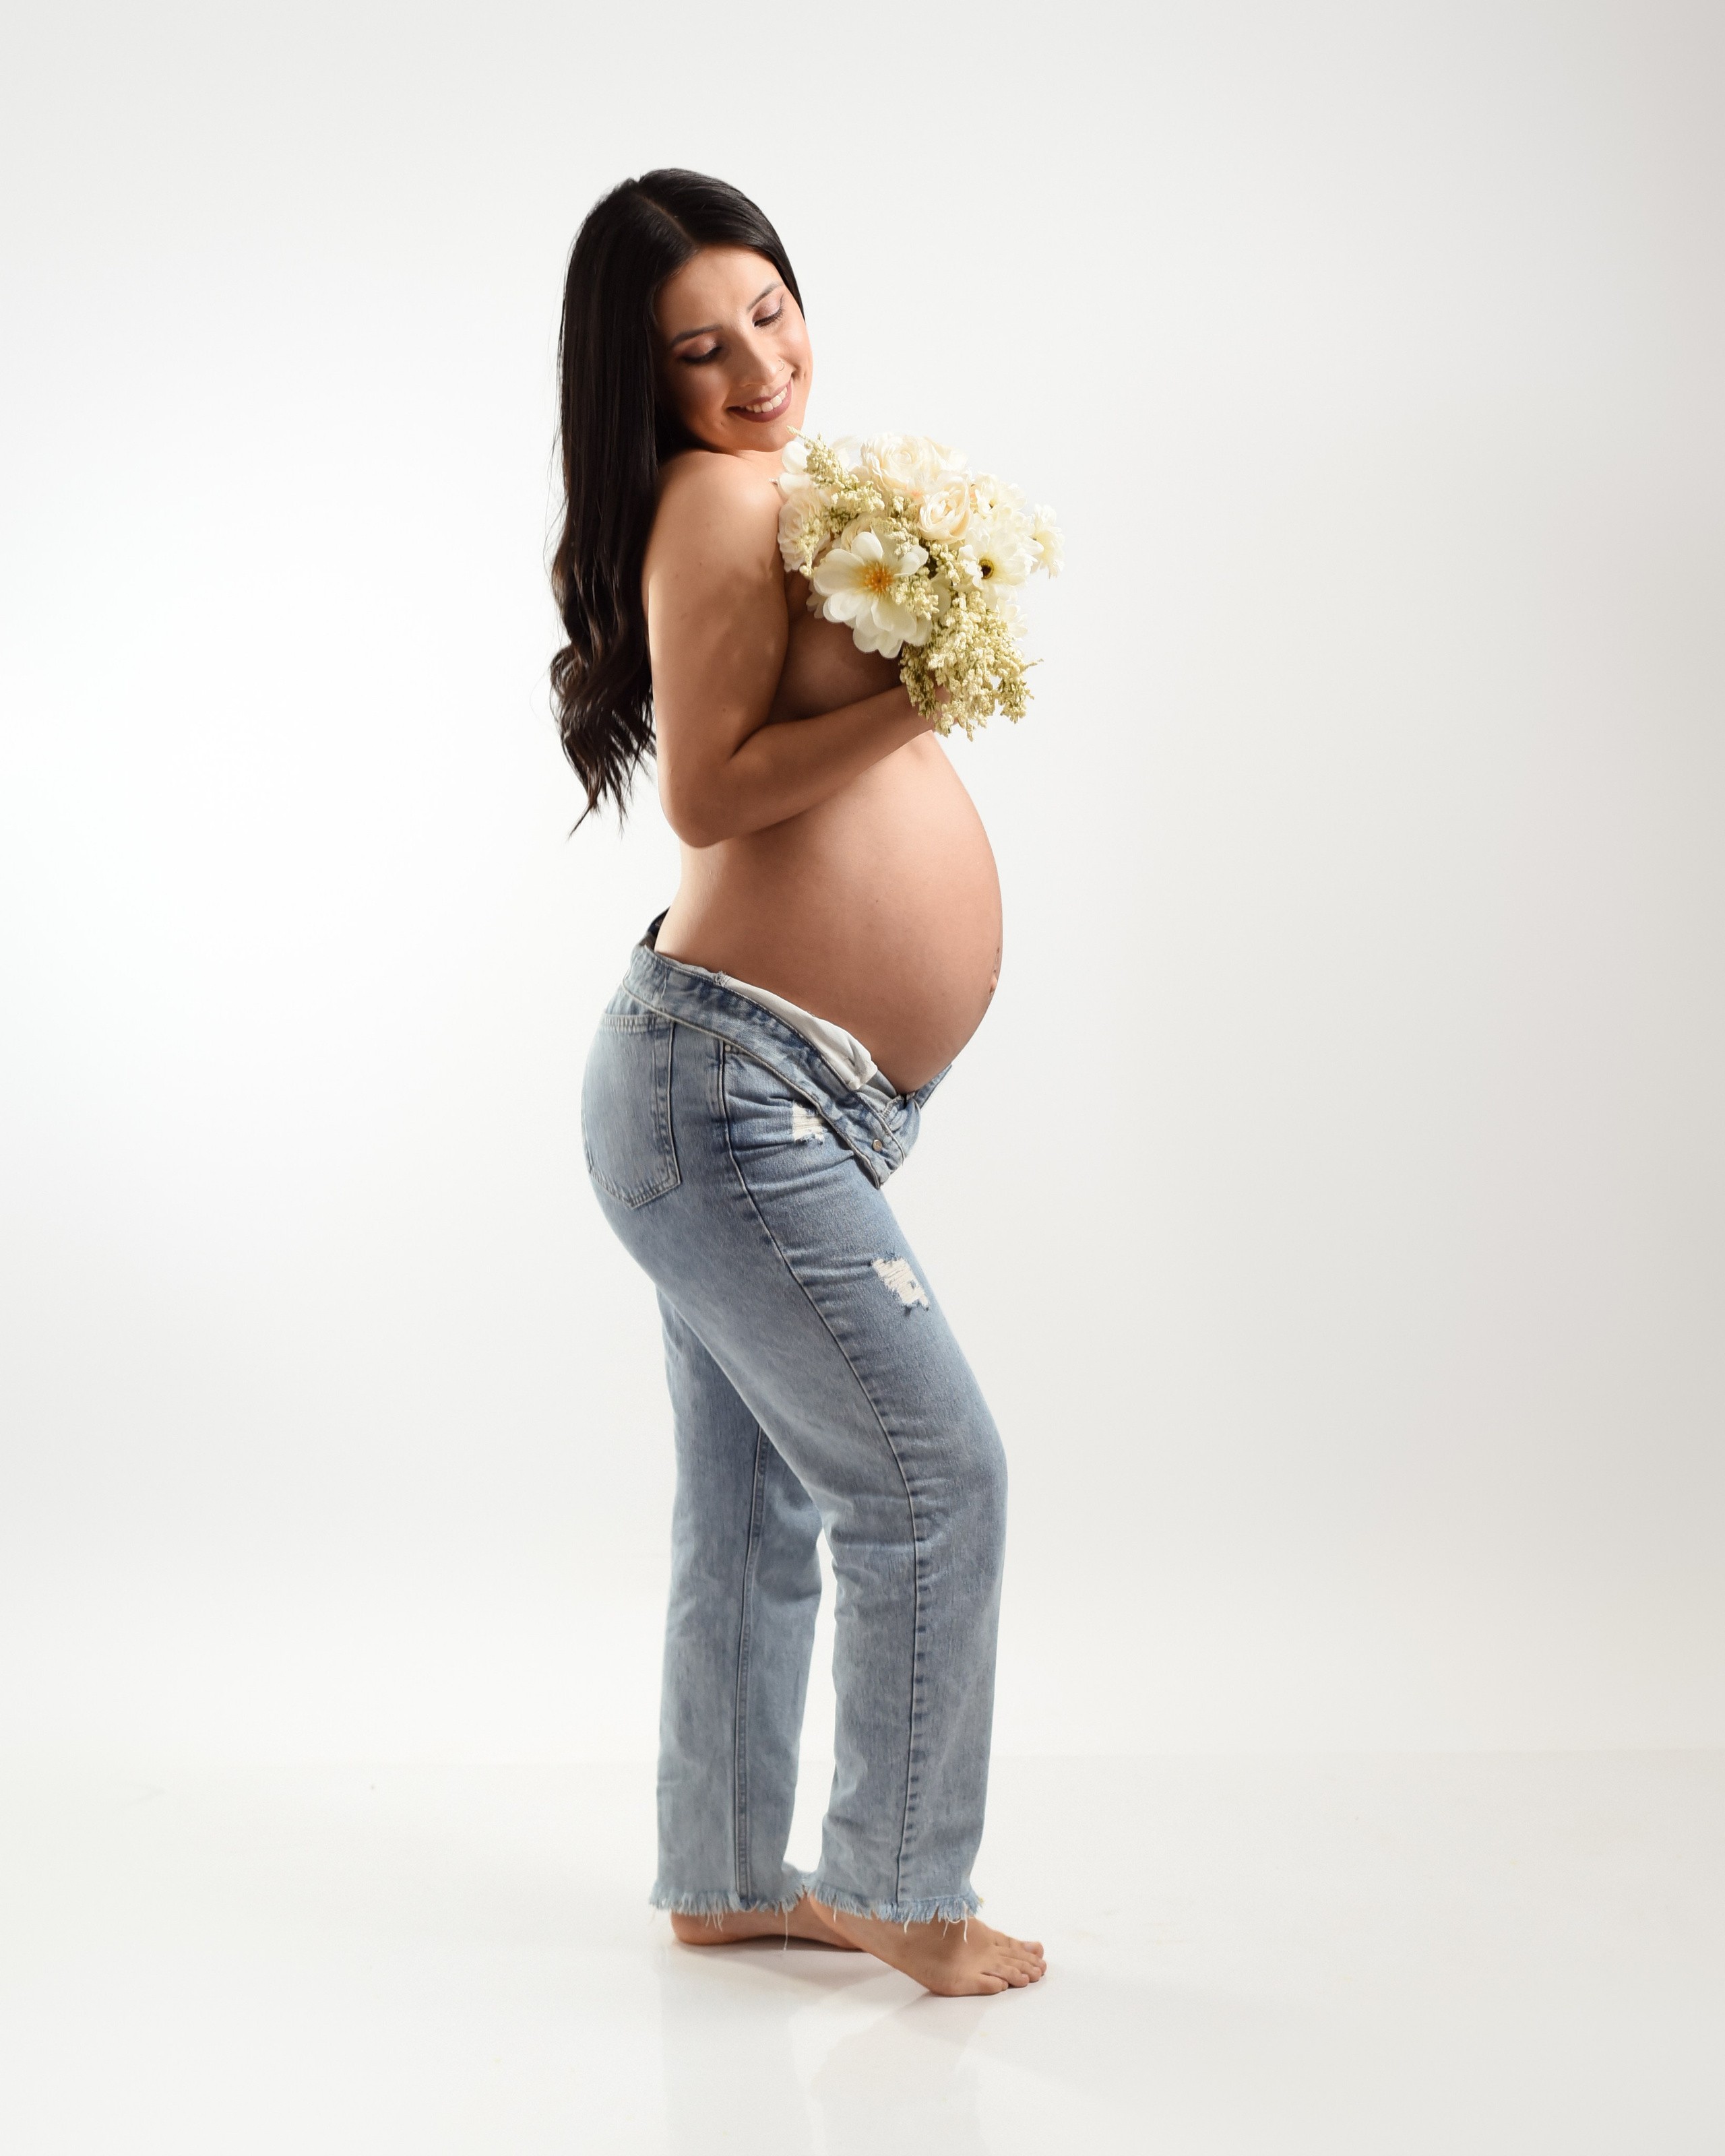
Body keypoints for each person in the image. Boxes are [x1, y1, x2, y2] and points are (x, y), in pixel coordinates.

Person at [552, 169, 1044, 1996]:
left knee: (756, 1500)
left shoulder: (761, 491)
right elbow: (710, 793)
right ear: (646, 384)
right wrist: (924, 690)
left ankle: (726, 1872)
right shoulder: (712, 504)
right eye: (701, 348)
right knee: (936, 1478)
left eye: (771, 310)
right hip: (729, 1096)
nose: (759, 364)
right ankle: (902, 1889)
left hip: (762, 1095)